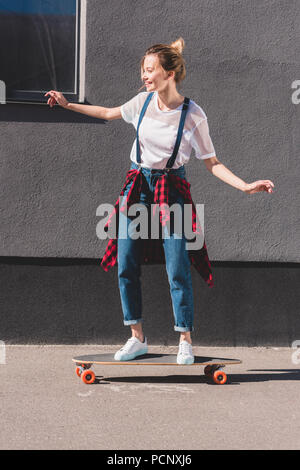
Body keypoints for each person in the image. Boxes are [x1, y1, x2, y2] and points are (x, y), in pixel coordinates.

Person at [45, 37, 274, 365]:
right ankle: (137, 337)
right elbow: (109, 113)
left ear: (170, 73)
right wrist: (68, 105)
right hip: (136, 185)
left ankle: (185, 339)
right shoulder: (142, 102)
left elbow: (212, 162)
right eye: (143, 70)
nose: (144, 76)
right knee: (125, 262)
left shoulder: (193, 114)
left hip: (172, 189)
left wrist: (245, 186)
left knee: (177, 264)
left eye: (150, 70)